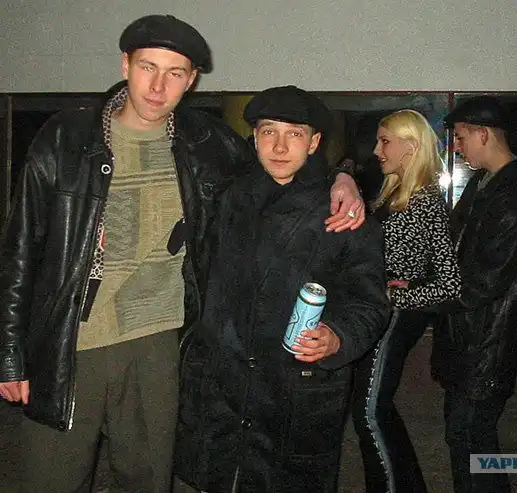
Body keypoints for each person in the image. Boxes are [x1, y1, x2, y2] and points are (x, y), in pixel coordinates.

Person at [0, 16, 364, 493]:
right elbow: (21, 248)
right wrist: (10, 353)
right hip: (69, 340)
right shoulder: (65, 136)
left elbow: (280, 166)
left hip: (160, 342)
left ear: (191, 80)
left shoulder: (205, 142)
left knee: (148, 480)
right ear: (125, 65)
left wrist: (341, 177)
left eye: (174, 73)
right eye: (147, 67)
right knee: (50, 480)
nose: (158, 86)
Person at [173, 85, 390, 493]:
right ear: (254, 137)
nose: (279, 146)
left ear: (314, 142)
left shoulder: (342, 214)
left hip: (294, 392)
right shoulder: (223, 198)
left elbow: (370, 302)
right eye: (269, 131)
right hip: (222, 387)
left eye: (294, 133)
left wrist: (338, 335)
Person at [432, 96, 517, 493]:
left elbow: (482, 282)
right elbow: (453, 247)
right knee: (467, 439)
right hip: (469, 339)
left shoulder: (516, 195)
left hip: (487, 342)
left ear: (484, 134)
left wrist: (420, 295)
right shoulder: (484, 183)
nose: (456, 147)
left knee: (470, 441)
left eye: (461, 137)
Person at [350, 109, 461, 493]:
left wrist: (396, 294)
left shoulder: (425, 199)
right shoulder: (396, 191)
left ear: (411, 147)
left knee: (368, 412)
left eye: (385, 141)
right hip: (384, 312)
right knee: (374, 411)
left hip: (397, 315)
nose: (376, 150)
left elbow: (450, 285)